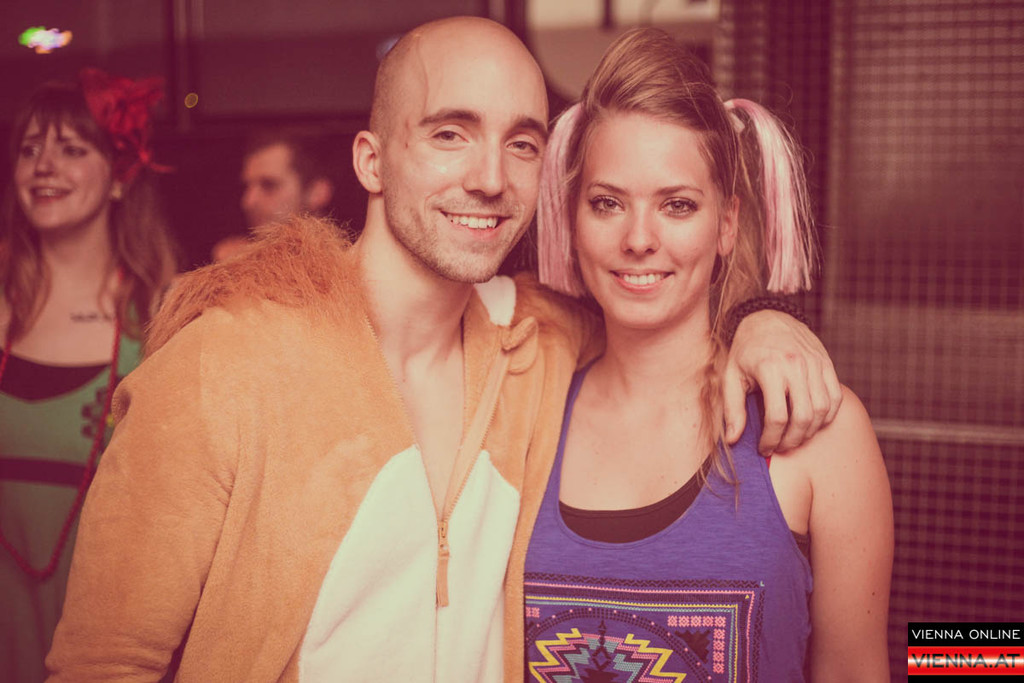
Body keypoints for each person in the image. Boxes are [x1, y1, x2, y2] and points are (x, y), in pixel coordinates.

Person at [47, 18, 840, 682]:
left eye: (521, 143)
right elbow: (102, 664)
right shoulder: (221, 366)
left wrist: (758, 318)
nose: (490, 177)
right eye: (450, 133)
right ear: (371, 159)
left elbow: (654, 310)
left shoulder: (540, 345)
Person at [511, 28, 893, 681]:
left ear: (726, 225)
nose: (639, 238)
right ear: (571, 220)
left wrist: (761, 314)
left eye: (678, 205)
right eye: (607, 203)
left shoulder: (821, 434)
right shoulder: (519, 411)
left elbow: (858, 669)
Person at [0, 69, 178, 682]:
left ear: (121, 175)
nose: (44, 167)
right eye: (29, 150)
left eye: (72, 149)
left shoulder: (160, 313)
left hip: (103, 639)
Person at [211, 127, 336, 262]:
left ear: (317, 192)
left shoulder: (345, 265)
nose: (248, 201)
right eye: (247, 187)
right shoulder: (234, 256)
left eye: (269, 185)